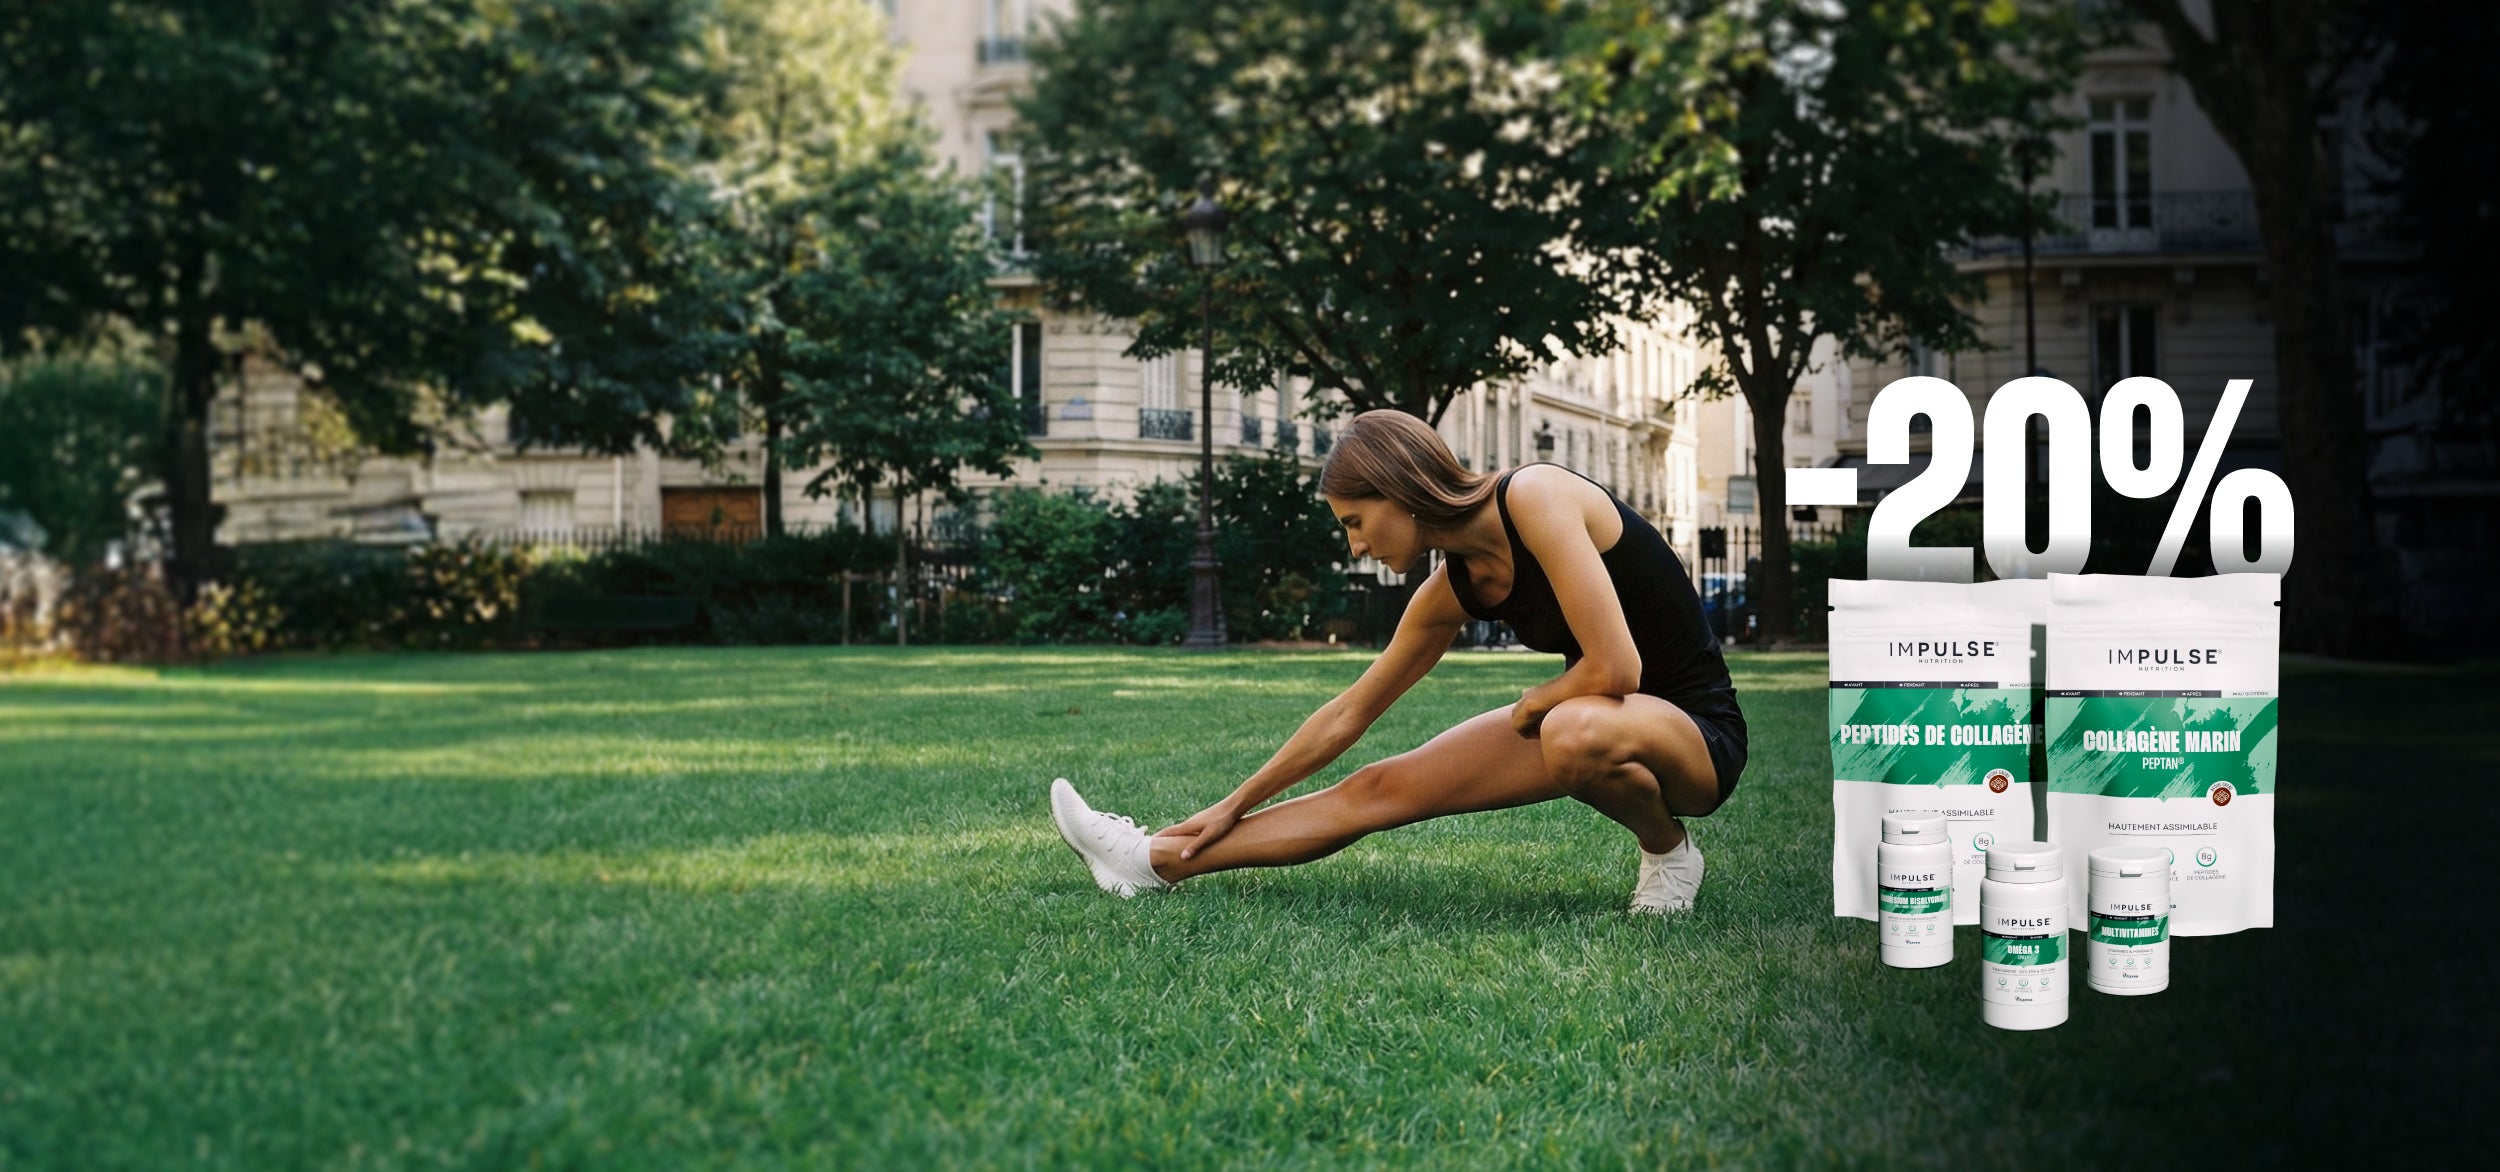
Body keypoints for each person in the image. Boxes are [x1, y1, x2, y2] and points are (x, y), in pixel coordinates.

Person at [1049, 409, 1746, 912]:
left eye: (1355, 521)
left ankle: (1668, 852)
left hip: (1694, 735)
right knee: (1377, 788)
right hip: (1595, 719)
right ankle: (1148, 862)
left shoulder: (1537, 497)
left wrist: (1534, 705)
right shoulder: (1451, 588)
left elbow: (1616, 669)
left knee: (1567, 726)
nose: (1355, 546)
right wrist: (1233, 804)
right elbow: (1348, 714)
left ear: (1402, 490)